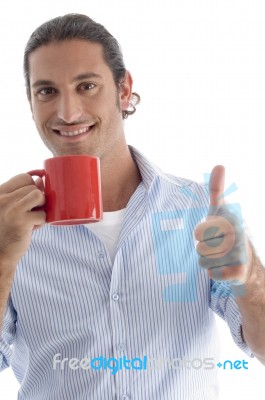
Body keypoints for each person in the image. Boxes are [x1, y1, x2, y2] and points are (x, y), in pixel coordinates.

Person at [0, 13, 264, 400]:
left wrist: (251, 281)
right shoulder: (8, 227)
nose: (67, 112)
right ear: (30, 103)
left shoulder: (195, 208)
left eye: (86, 86)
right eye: (46, 92)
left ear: (124, 91)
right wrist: (3, 257)